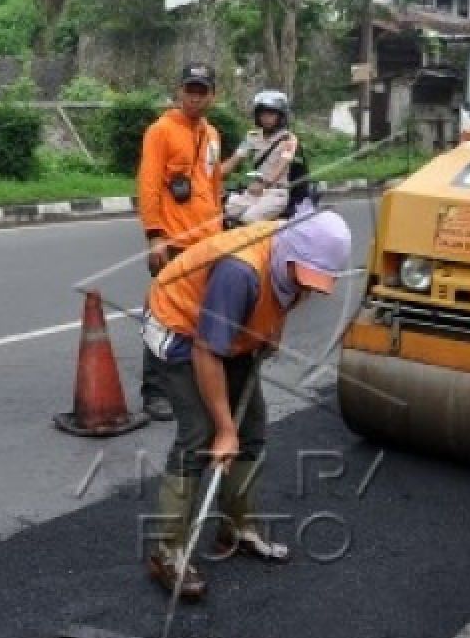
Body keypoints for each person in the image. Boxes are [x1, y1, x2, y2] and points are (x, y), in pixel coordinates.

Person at [140, 196, 352, 599]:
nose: (311, 284)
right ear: (292, 254)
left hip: (228, 334)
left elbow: (289, 292)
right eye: (305, 274)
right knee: (200, 436)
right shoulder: (239, 272)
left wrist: (272, 330)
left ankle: (236, 529)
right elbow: (206, 350)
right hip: (179, 329)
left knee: (251, 429)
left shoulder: (291, 256)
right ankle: (166, 552)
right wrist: (223, 429)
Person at [136, 62, 225, 421]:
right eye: (189, 89)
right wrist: (155, 235)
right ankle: (154, 391)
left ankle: (187, 387)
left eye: (202, 91)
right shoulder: (161, 131)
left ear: (212, 96)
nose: (194, 97)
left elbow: (214, 184)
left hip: (209, 241)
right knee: (163, 316)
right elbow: (148, 184)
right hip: (174, 242)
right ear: (179, 91)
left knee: (197, 318)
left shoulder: (213, 135)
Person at [220, 90, 300, 224]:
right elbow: (235, 159)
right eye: (262, 113)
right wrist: (212, 177)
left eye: (271, 113)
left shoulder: (289, 139)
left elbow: (282, 165)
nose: (266, 118)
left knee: (249, 219)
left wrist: (264, 183)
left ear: (281, 116)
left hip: (275, 193)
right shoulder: (252, 136)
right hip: (253, 191)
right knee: (224, 211)